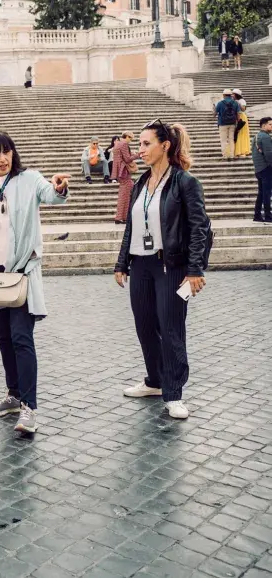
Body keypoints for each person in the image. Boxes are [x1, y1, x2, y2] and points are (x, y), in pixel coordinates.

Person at [114, 120, 210, 420]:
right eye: (139, 144)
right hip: (141, 263)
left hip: (171, 266)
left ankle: (174, 393)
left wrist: (195, 269)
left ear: (164, 145)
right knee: (145, 326)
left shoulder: (184, 182)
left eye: (146, 144)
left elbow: (199, 228)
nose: (139, 150)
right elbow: (133, 224)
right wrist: (122, 262)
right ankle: (155, 382)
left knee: (170, 329)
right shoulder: (142, 182)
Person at [0, 130, 71, 434]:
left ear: (13, 152)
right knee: (4, 339)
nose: (2, 159)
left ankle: (29, 407)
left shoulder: (30, 179)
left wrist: (59, 188)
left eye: (6, 151)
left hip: (21, 272)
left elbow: (51, 194)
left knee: (21, 339)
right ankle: (14, 395)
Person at [114, 131, 139, 224]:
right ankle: (120, 217)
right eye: (131, 138)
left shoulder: (118, 144)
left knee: (126, 193)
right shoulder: (124, 144)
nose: (131, 141)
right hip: (123, 171)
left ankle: (122, 217)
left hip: (120, 171)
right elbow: (127, 159)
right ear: (127, 136)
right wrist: (137, 155)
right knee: (125, 195)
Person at [251, 116, 272, 223]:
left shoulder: (256, 136)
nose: (271, 126)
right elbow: (269, 154)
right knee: (267, 193)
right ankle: (268, 216)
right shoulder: (266, 137)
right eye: (270, 124)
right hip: (266, 169)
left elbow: (253, 153)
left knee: (261, 193)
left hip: (258, 169)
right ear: (264, 125)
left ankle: (257, 215)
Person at [215, 89, 240, 160]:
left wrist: (214, 108)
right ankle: (232, 155)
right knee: (231, 139)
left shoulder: (220, 103)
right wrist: (238, 122)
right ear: (231, 95)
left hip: (222, 123)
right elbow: (238, 114)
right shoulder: (235, 103)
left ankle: (225, 155)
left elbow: (214, 114)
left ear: (224, 95)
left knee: (223, 140)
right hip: (232, 123)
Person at [233, 89, 251, 157]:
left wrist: (238, 103)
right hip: (235, 116)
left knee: (242, 133)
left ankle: (243, 151)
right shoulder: (233, 101)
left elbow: (243, 109)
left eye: (233, 94)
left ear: (236, 95)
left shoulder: (242, 101)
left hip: (242, 117)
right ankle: (237, 150)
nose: (232, 95)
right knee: (237, 133)